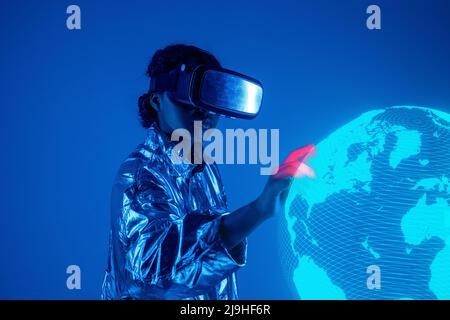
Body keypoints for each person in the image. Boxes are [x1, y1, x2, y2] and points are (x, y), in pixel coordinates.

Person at [101, 44, 293, 300]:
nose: (205, 112)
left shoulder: (204, 166)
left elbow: (204, 273)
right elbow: (153, 278)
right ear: (157, 100)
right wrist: (256, 212)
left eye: (213, 100)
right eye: (190, 100)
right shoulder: (142, 175)